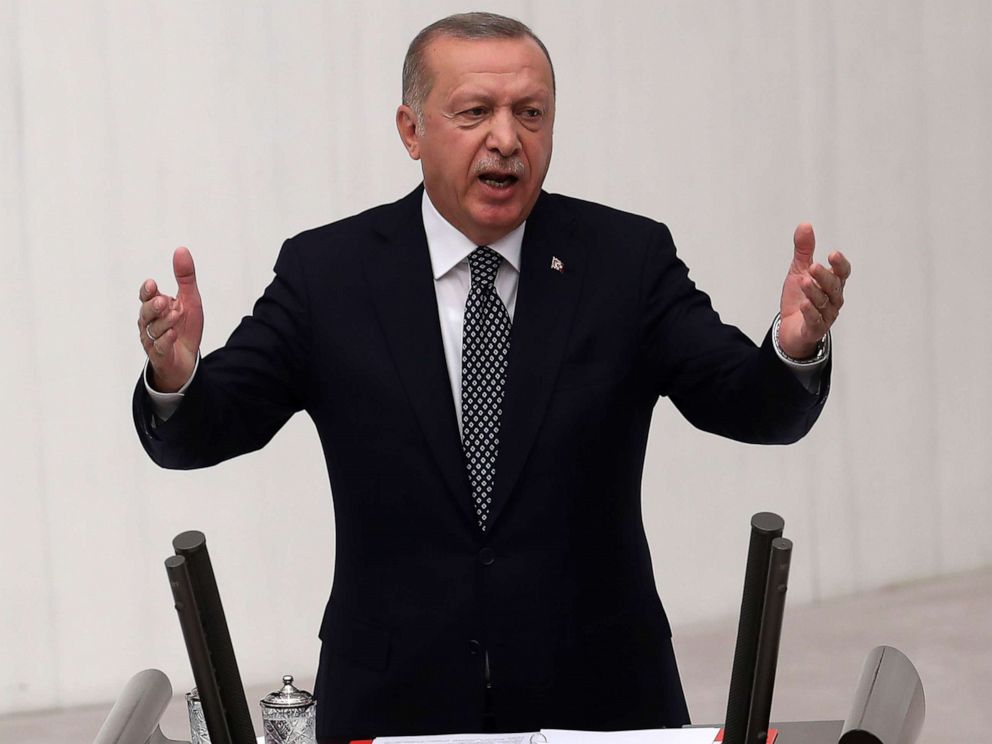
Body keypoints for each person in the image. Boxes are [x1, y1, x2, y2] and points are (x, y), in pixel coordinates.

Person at [133, 12, 850, 741]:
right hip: (394, 699)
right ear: (411, 131)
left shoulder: (625, 261)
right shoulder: (329, 275)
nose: (507, 139)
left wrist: (793, 349)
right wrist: (177, 376)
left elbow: (751, 404)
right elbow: (203, 429)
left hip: (600, 697)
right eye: (475, 112)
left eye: (530, 114)